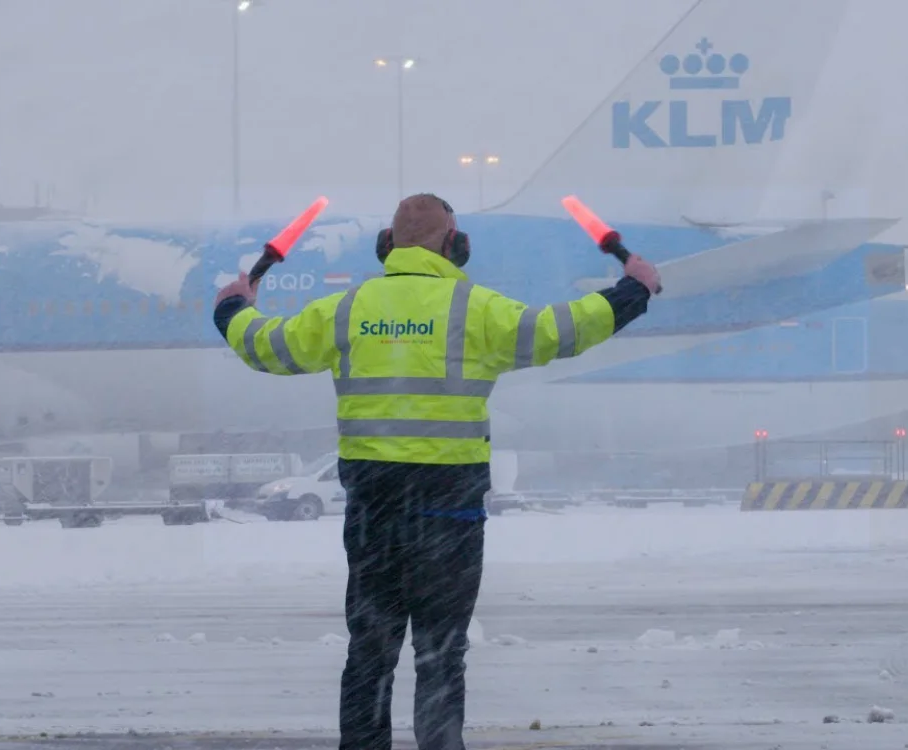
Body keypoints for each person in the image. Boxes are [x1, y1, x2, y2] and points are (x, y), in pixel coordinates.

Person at [213, 193, 661, 750]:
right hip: (447, 512)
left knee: (370, 652)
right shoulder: (474, 309)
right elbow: (560, 330)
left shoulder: (347, 309)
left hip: (374, 510)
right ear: (456, 246)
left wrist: (233, 306)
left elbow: (264, 347)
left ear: (387, 245)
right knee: (441, 653)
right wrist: (633, 290)